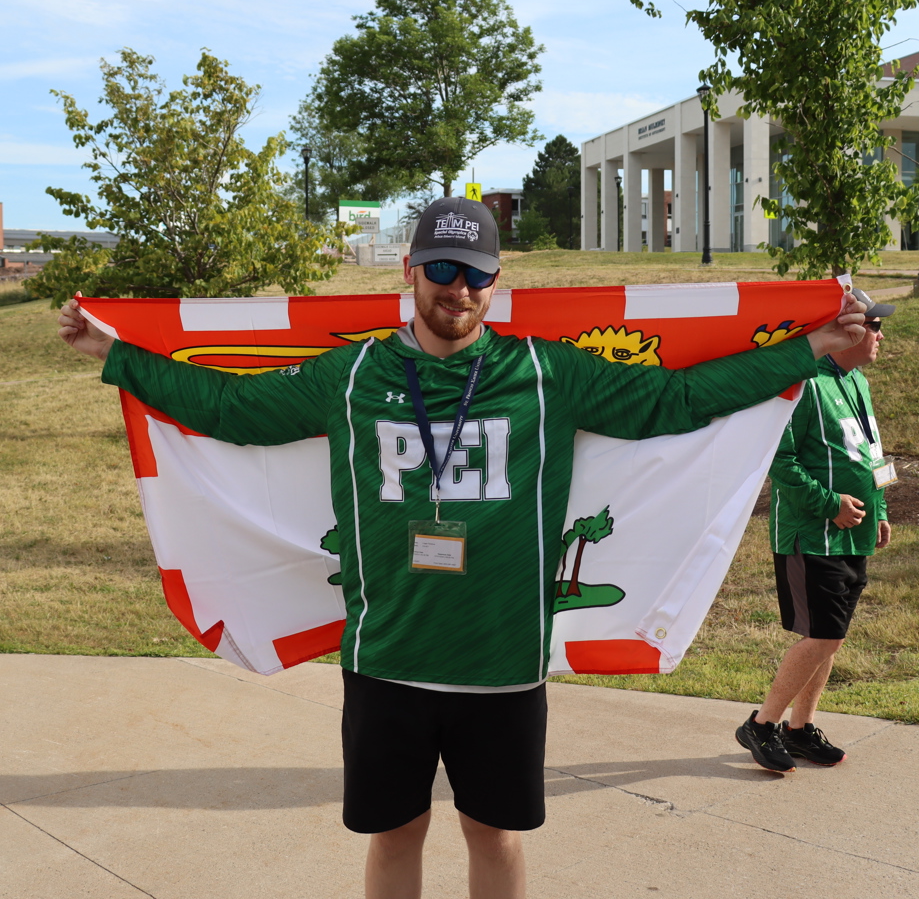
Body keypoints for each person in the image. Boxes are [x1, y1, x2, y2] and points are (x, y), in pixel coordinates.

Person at [59, 197, 868, 899]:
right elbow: (231, 410)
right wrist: (114, 356)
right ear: (408, 271)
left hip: (502, 666)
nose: (460, 288)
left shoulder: (546, 375)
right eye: (443, 268)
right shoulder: (350, 377)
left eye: (476, 273)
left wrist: (813, 349)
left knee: (494, 836)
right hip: (388, 660)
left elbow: (681, 399)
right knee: (395, 837)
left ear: (496, 281)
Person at [736, 288, 893, 774]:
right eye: (873, 325)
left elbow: (870, 451)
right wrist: (829, 505)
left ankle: (800, 730)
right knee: (822, 635)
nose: (880, 335)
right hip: (812, 535)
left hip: (854, 533)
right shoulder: (801, 383)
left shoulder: (858, 382)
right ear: (844, 331)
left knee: (834, 635)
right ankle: (762, 725)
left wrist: (880, 505)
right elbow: (777, 460)